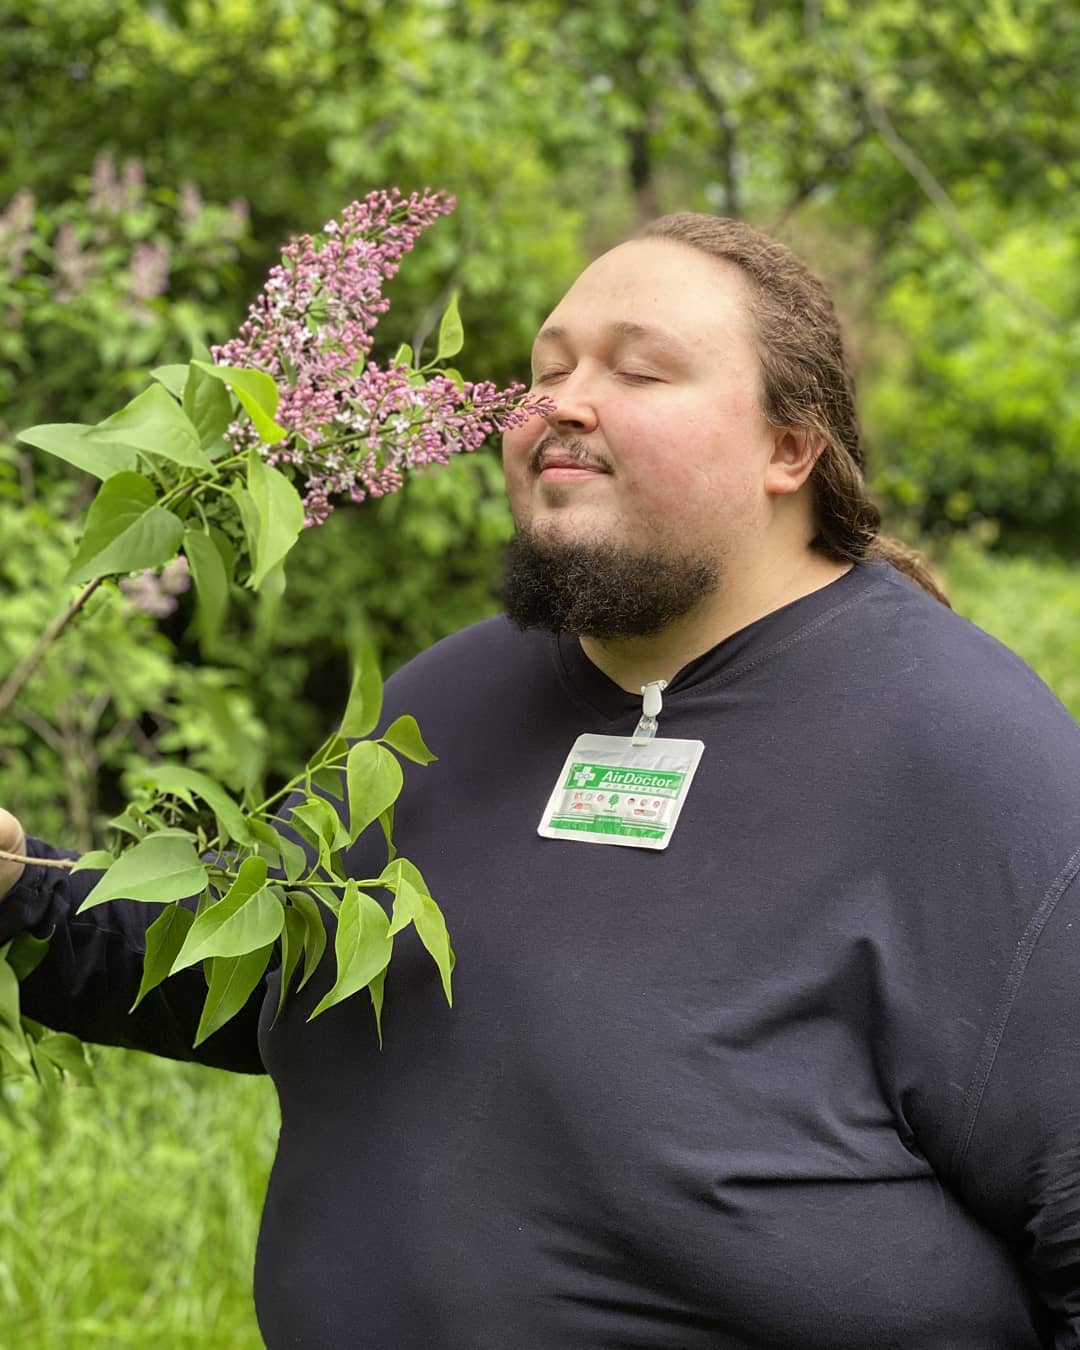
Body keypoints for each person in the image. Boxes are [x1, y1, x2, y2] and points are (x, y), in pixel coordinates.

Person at [2, 213, 1079, 1349]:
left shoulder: (973, 762)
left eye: (639, 367)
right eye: (548, 366)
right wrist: (18, 889)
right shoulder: (443, 707)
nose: (561, 399)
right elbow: (258, 962)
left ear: (791, 449)